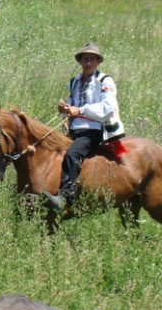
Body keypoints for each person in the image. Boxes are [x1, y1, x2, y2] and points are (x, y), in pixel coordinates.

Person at [42, 42, 125, 212]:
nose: (88, 63)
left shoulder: (104, 81)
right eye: (85, 59)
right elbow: (73, 104)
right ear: (80, 61)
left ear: (97, 62)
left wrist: (79, 110)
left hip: (92, 131)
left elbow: (107, 109)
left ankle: (65, 198)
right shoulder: (74, 82)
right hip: (74, 130)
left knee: (72, 154)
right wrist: (65, 108)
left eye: (92, 59)